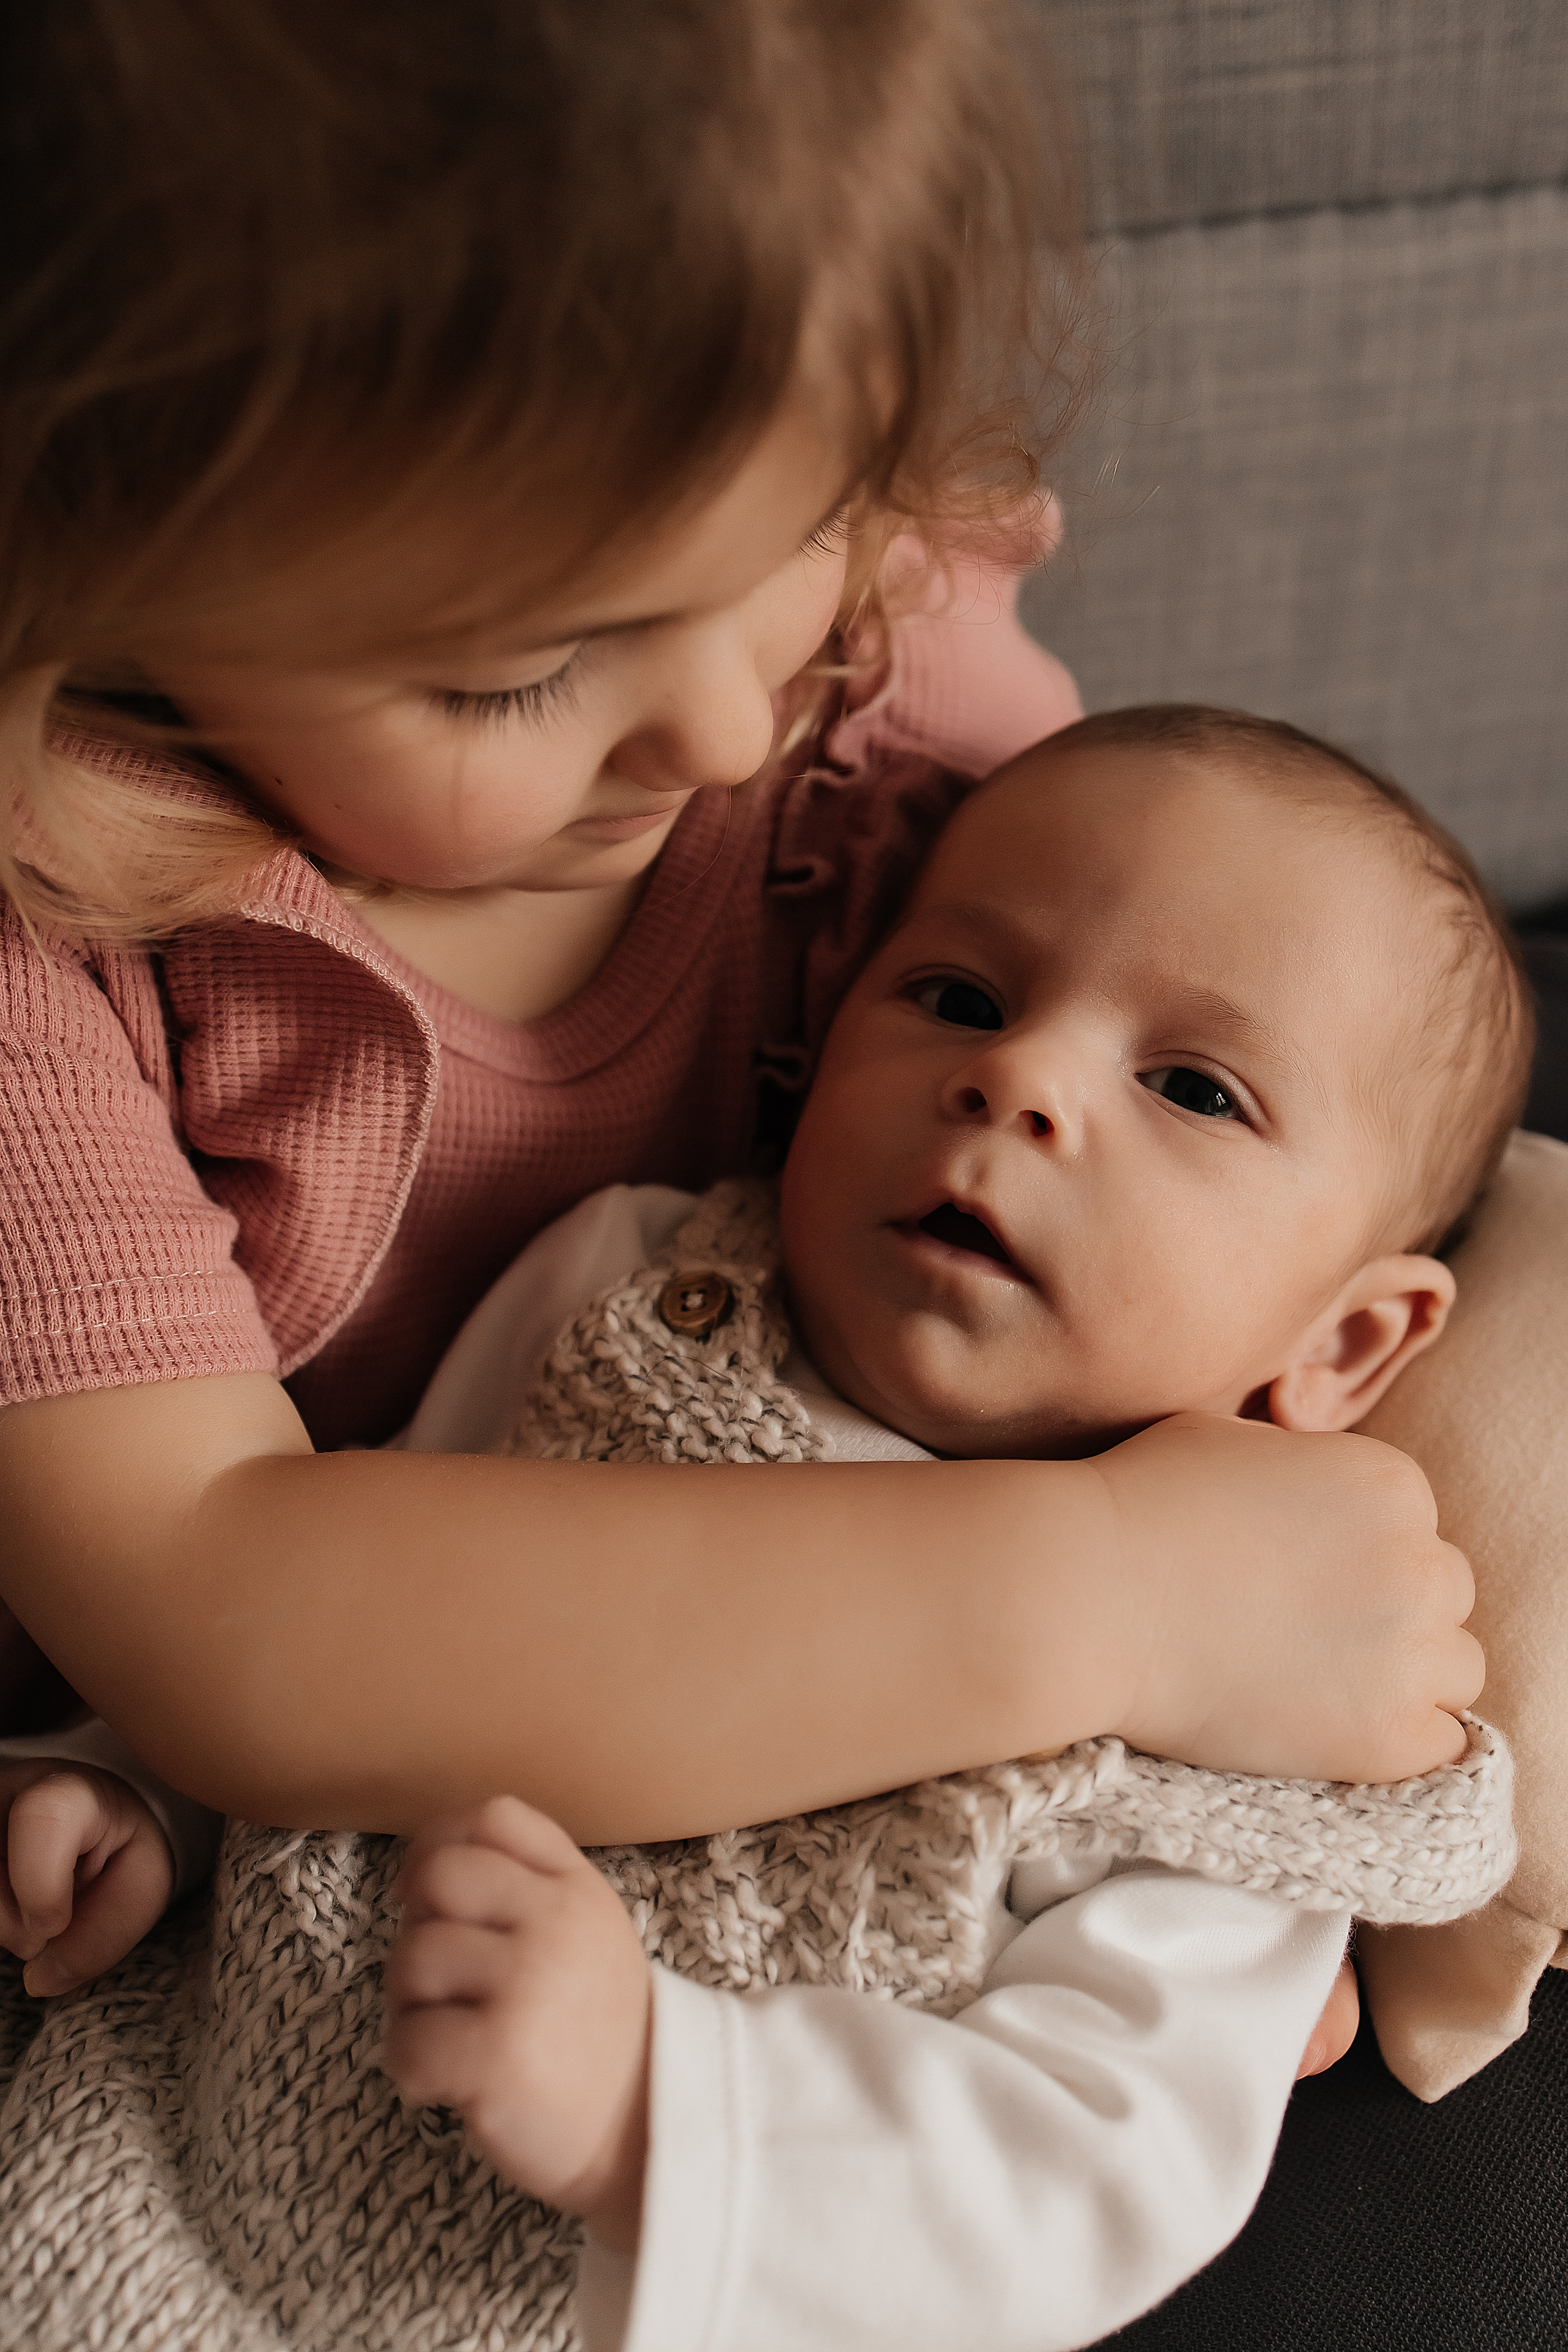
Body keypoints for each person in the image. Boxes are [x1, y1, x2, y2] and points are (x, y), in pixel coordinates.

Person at [0, 3, 1478, 2011]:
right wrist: (1131, 1603)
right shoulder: (49, 951)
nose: (722, 729)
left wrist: (1249, 1810)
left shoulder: (872, 669)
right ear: (85, 573)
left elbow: (1295, 1116)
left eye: (801, 519)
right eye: (518, 671)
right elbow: (222, 1615)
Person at [374, 707, 1526, 2351]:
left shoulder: (1255, 1700)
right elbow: (347, 1610)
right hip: (188, 2120)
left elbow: (1097, 2167)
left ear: (1341, 1343)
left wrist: (654, 2103)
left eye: (1195, 1088)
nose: (1022, 1075)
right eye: (959, 999)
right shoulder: (624, 1284)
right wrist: (139, 1786)